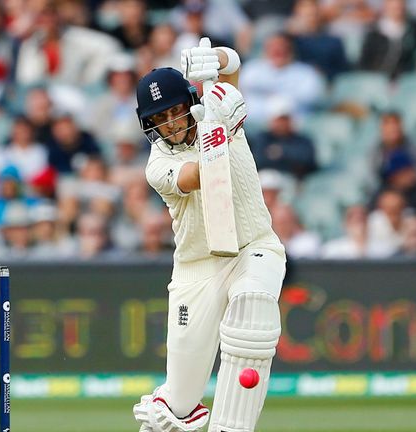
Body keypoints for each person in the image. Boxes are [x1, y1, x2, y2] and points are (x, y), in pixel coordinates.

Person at [132, 39, 286, 432]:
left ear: (188, 104)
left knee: (253, 306)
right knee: (176, 409)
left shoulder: (217, 112)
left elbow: (231, 69)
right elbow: (199, 175)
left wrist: (217, 61)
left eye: (176, 112)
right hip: (197, 270)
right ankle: (167, 409)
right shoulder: (159, 164)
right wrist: (222, 126)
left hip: (254, 247)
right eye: (160, 118)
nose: (170, 123)